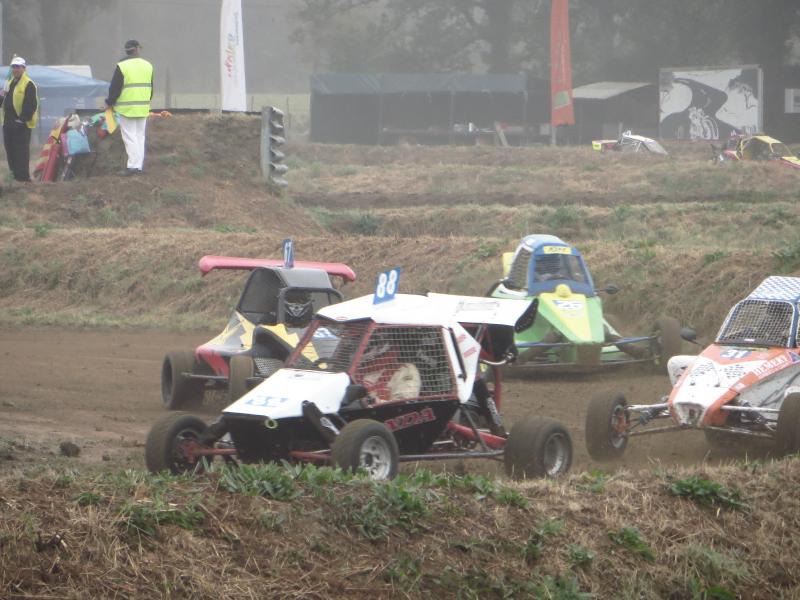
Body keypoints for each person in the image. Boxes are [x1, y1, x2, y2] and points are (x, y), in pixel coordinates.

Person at [105, 40, 153, 176]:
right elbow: (151, 88)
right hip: (143, 107)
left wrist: (109, 102)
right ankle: (138, 166)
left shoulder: (122, 66)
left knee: (130, 137)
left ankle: (133, 167)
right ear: (137, 49)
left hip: (127, 109)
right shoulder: (148, 65)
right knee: (140, 137)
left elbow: (115, 88)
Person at [0, 56, 39, 182]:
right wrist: (1, 95)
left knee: (21, 152)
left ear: (24, 68)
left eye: (18, 67)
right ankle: (14, 177)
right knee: (10, 151)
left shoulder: (29, 84)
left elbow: (31, 104)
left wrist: (22, 120)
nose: (15, 69)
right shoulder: (9, 83)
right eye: (13, 67)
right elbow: (2, 103)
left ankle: (23, 178)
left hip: (21, 124)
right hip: (7, 123)